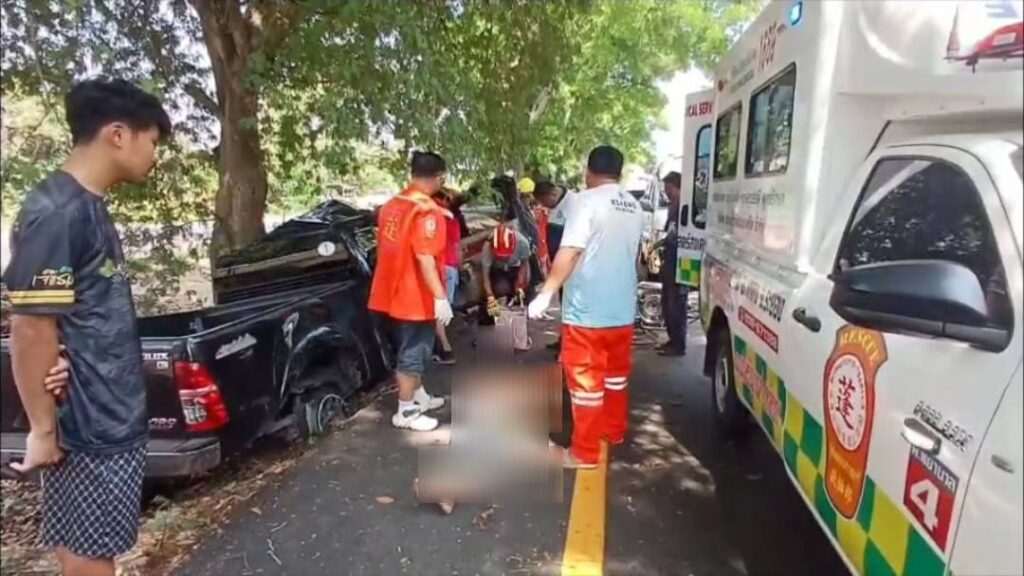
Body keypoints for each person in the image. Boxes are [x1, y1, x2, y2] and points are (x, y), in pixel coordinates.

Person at [4, 78, 171, 576]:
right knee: (87, 554)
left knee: (94, 547)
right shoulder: (59, 213)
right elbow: (31, 327)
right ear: (118, 135)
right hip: (88, 425)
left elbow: (67, 318)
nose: (155, 156)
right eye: (153, 141)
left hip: (108, 415)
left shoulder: (87, 206)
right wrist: (42, 429)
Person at [528, 145, 644, 469]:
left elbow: (571, 250)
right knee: (615, 378)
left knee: (586, 387)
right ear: (619, 172)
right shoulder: (634, 206)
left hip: (587, 313)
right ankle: (612, 431)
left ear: (588, 171)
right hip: (622, 310)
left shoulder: (585, 201)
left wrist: (546, 292)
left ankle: (583, 453)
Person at [369, 151, 452, 432]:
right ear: (440, 177)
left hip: (390, 291)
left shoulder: (392, 205)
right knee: (414, 351)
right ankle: (405, 411)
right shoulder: (425, 210)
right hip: (414, 295)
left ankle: (419, 396)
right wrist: (440, 296)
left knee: (412, 346)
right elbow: (425, 256)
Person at [532, 182, 576, 350]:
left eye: (544, 202)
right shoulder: (556, 205)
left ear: (551, 194)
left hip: (573, 268)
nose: (544, 206)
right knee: (565, 305)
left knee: (573, 306)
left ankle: (570, 344)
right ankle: (564, 339)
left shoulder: (574, 204)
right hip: (560, 266)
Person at [479, 218, 533, 324]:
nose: (504, 259)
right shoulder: (487, 248)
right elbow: (485, 276)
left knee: (524, 292)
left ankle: (518, 317)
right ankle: (490, 319)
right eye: (500, 256)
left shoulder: (522, 243)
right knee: (498, 289)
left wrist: (520, 285)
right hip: (497, 269)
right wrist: (490, 296)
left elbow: (524, 265)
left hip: (516, 267)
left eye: (506, 256)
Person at [658, 171, 688, 356]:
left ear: (678, 187)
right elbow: (669, 232)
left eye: (669, 188)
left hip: (681, 260)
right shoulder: (673, 206)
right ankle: (672, 339)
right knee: (667, 301)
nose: (667, 193)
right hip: (670, 257)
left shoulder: (685, 207)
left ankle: (678, 344)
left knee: (676, 302)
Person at [432, 188, 461, 365]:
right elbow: (457, 248)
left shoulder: (430, 218)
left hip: (436, 266)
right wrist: (459, 266)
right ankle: (443, 347)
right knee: (442, 308)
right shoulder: (451, 219)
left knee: (437, 310)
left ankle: (444, 348)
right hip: (449, 267)